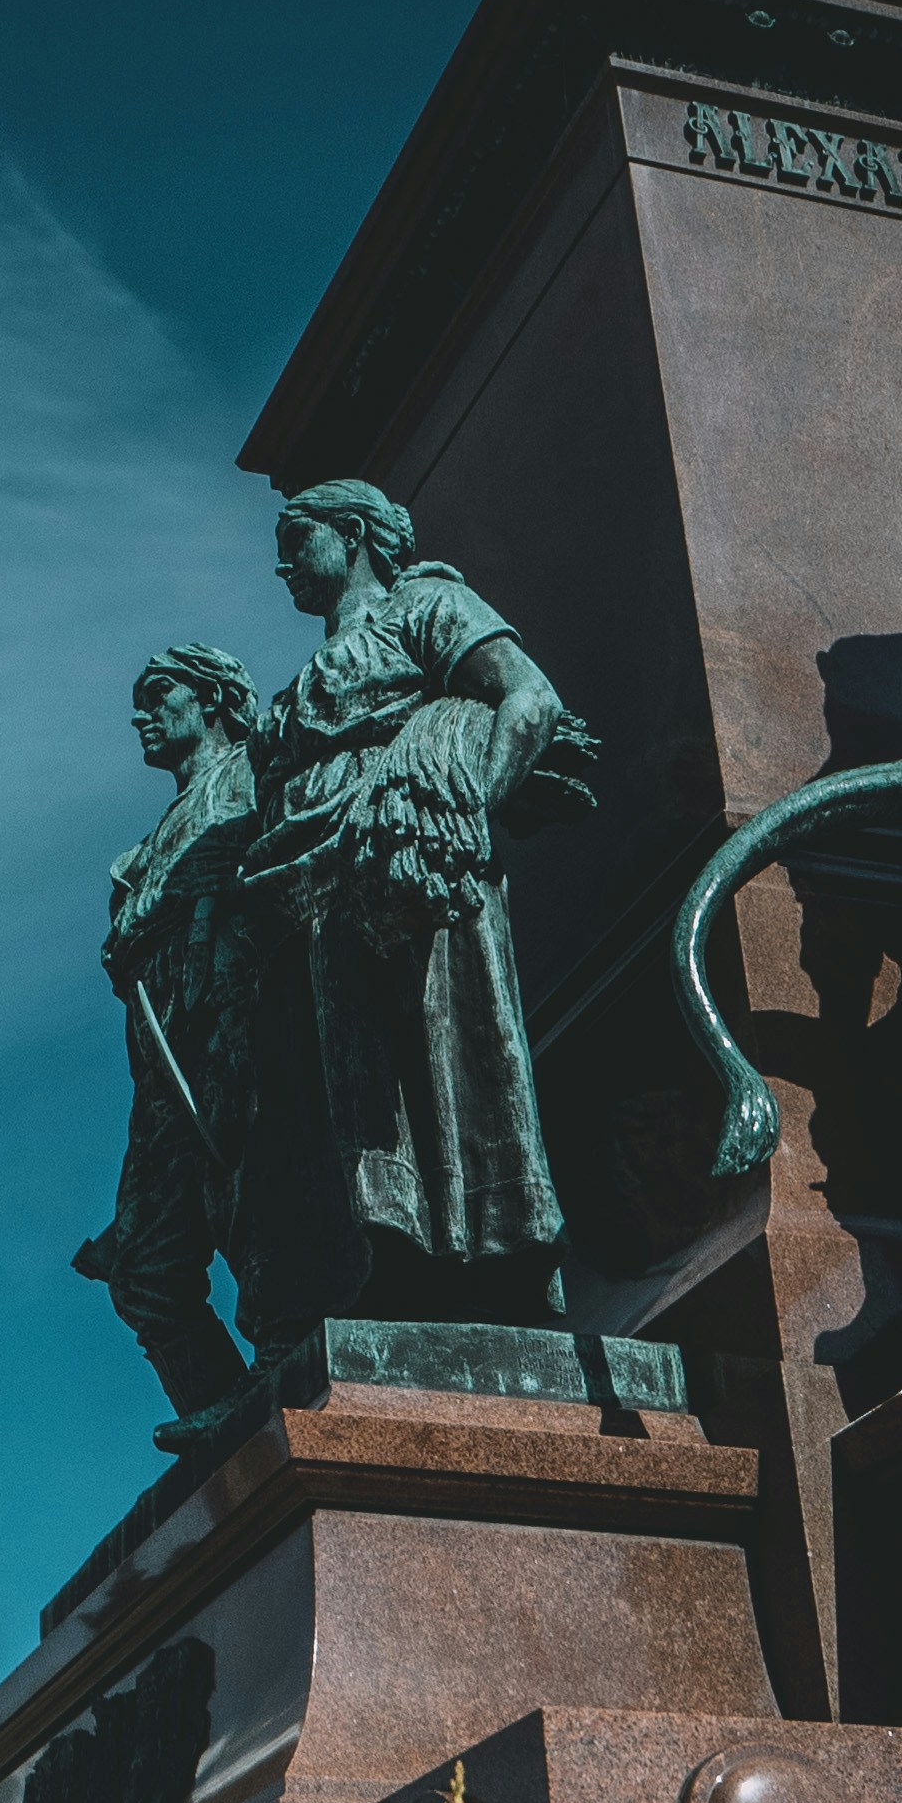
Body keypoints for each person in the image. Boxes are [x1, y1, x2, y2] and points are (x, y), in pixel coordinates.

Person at [235, 482, 599, 1325]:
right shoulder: (295, 687)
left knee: (439, 1060)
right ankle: (386, 1253)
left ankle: (487, 1258)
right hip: (311, 895)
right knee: (349, 1086)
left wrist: (461, 815)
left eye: (298, 537)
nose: (281, 562)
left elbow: (528, 697)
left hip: (409, 870)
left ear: (353, 532)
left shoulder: (426, 604)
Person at [73, 643, 277, 1443]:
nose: (142, 714)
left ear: (218, 699)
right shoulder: (150, 839)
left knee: (256, 1210)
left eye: (160, 694)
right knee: (143, 1269)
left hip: (236, 1024)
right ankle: (231, 1422)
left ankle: (280, 1369)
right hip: (162, 1061)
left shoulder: (255, 773)